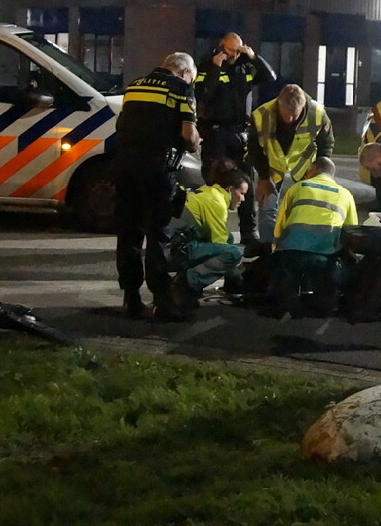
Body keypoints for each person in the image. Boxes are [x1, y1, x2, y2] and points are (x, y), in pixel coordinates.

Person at [112, 52, 199, 321]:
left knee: (129, 233)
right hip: (157, 169)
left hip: (124, 166)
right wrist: (196, 143)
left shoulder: (135, 85)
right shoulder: (182, 89)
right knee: (158, 234)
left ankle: (131, 299)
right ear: (184, 73)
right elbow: (188, 134)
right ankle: (162, 302)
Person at [195, 32, 275, 245]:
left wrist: (253, 56)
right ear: (221, 47)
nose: (234, 55)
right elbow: (203, 94)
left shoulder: (245, 67)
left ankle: (249, 233)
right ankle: (211, 232)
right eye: (230, 50)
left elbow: (270, 77)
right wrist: (215, 67)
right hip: (216, 134)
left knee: (245, 183)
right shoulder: (206, 66)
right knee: (215, 184)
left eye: (237, 51)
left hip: (241, 135)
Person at [269, 156, 359, 317]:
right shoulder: (345, 194)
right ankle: (319, 305)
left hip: (292, 250)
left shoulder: (298, 187)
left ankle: (288, 304)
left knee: (287, 284)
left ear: (314, 169)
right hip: (325, 254)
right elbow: (351, 230)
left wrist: (276, 249)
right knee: (324, 294)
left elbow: (280, 222)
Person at [248, 83, 334, 243]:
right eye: (285, 115)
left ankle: (302, 246)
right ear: (278, 104)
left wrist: (319, 175)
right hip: (272, 166)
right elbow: (253, 148)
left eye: (294, 116)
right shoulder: (261, 115)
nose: (289, 119)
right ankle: (268, 250)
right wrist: (264, 177)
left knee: (307, 206)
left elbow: (326, 145)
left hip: (306, 167)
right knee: (267, 207)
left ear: (303, 106)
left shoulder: (318, 114)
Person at [167, 161, 251, 311]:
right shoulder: (217, 202)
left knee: (229, 239)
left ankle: (227, 284)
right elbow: (221, 244)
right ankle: (185, 283)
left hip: (175, 244)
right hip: (176, 250)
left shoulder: (210, 192)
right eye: (242, 194)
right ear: (231, 190)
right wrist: (238, 278)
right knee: (232, 253)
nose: (243, 200)